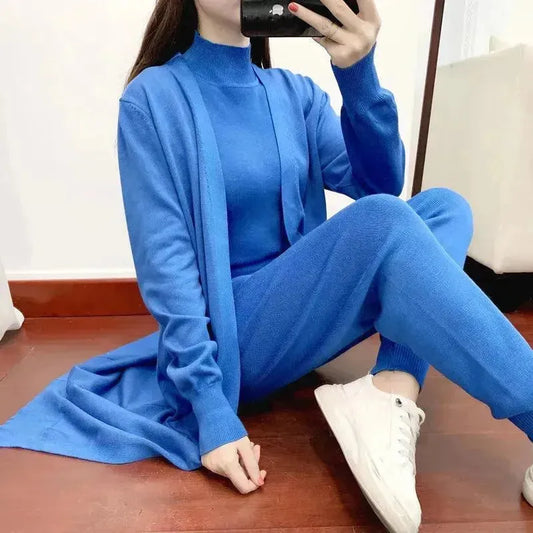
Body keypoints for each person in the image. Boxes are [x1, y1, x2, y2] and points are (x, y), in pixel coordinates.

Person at [0, 1, 532, 532]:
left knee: (445, 207)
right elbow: (167, 268)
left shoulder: (294, 93)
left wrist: (358, 73)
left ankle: (392, 390)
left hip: (300, 319)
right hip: (236, 340)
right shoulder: (153, 99)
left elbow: (378, 183)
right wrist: (211, 410)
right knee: (384, 222)